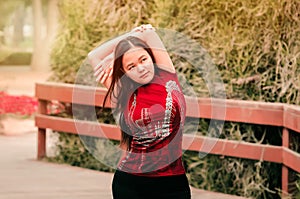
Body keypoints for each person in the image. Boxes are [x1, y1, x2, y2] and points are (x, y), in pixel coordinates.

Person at [87, 24, 191, 199]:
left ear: (151, 57)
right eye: (131, 66)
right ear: (125, 72)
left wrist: (132, 37)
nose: (141, 68)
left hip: (173, 183)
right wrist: (123, 45)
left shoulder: (167, 74)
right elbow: (93, 56)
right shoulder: (124, 93)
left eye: (143, 59)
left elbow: (149, 32)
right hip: (132, 185)